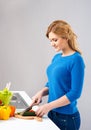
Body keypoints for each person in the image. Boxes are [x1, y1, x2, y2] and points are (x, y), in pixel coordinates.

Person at [32, 20, 85, 130]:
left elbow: (75, 93)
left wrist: (48, 106)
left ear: (66, 37)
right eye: (50, 41)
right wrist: (41, 92)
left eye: (55, 40)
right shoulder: (56, 58)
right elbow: (52, 82)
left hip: (67, 118)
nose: (52, 44)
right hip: (51, 114)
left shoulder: (76, 60)